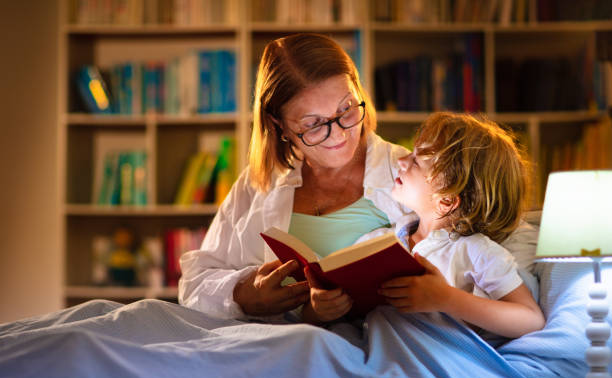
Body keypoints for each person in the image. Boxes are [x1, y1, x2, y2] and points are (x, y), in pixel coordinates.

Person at [178, 33, 539, 326]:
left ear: (358, 92)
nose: (337, 133)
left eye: (346, 110)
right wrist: (242, 295)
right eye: (313, 124)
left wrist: (455, 299)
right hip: (270, 343)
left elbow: (503, 226)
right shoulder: (259, 184)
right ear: (279, 127)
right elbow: (193, 284)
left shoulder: (416, 175)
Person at [378, 112, 545, 339]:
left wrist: (445, 298)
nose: (401, 161)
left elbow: (530, 320)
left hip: (430, 356)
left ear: (446, 201)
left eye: (416, 161)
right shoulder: (386, 237)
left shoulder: (474, 250)